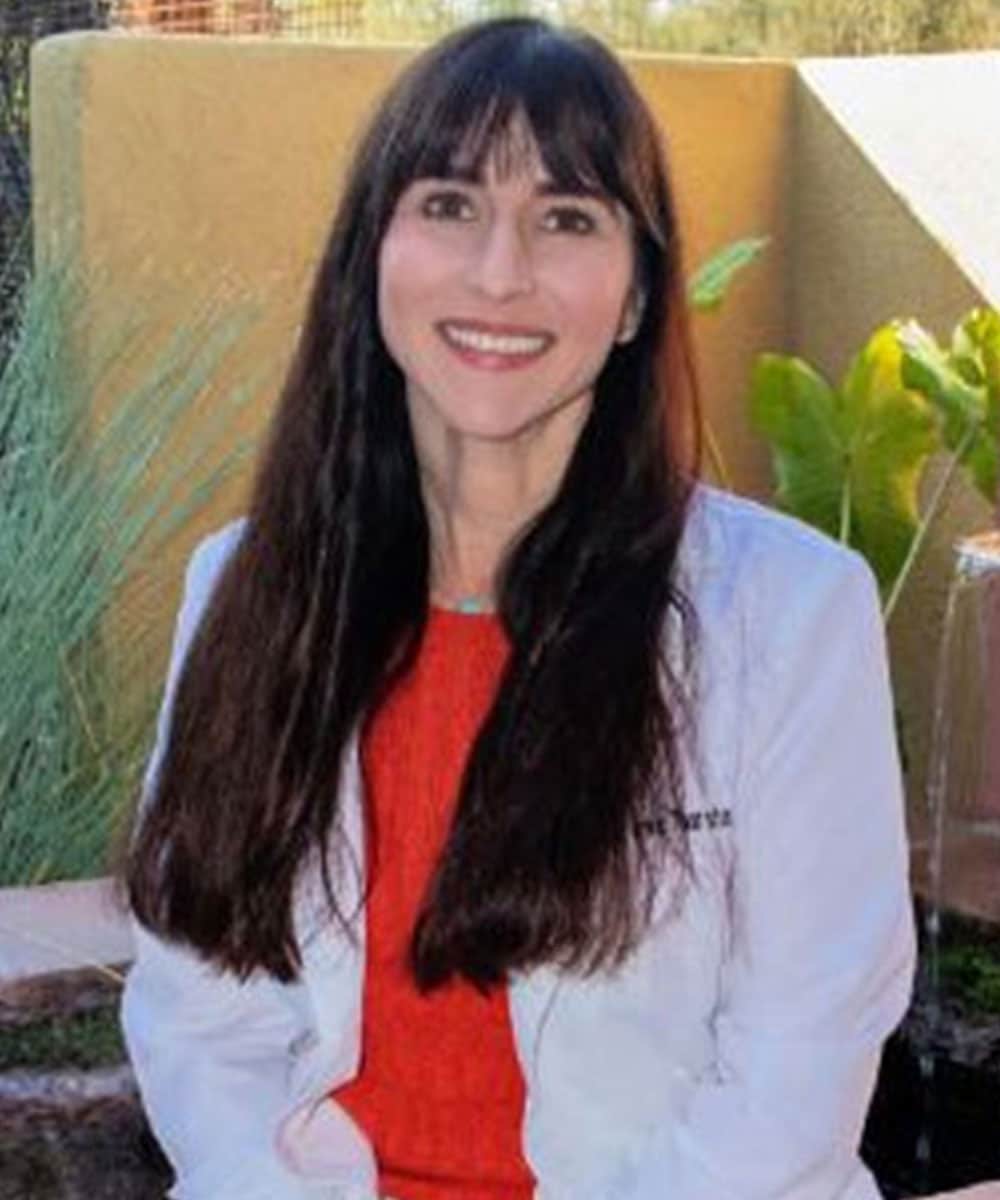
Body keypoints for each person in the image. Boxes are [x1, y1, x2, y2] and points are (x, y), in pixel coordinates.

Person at [122, 17, 915, 1200]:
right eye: (448, 205)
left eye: (566, 220)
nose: (501, 273)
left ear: (639, 292)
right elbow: (199, 1018)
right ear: (371, 257)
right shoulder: (246, 588)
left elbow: (798, 1062)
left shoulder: (791, 614)